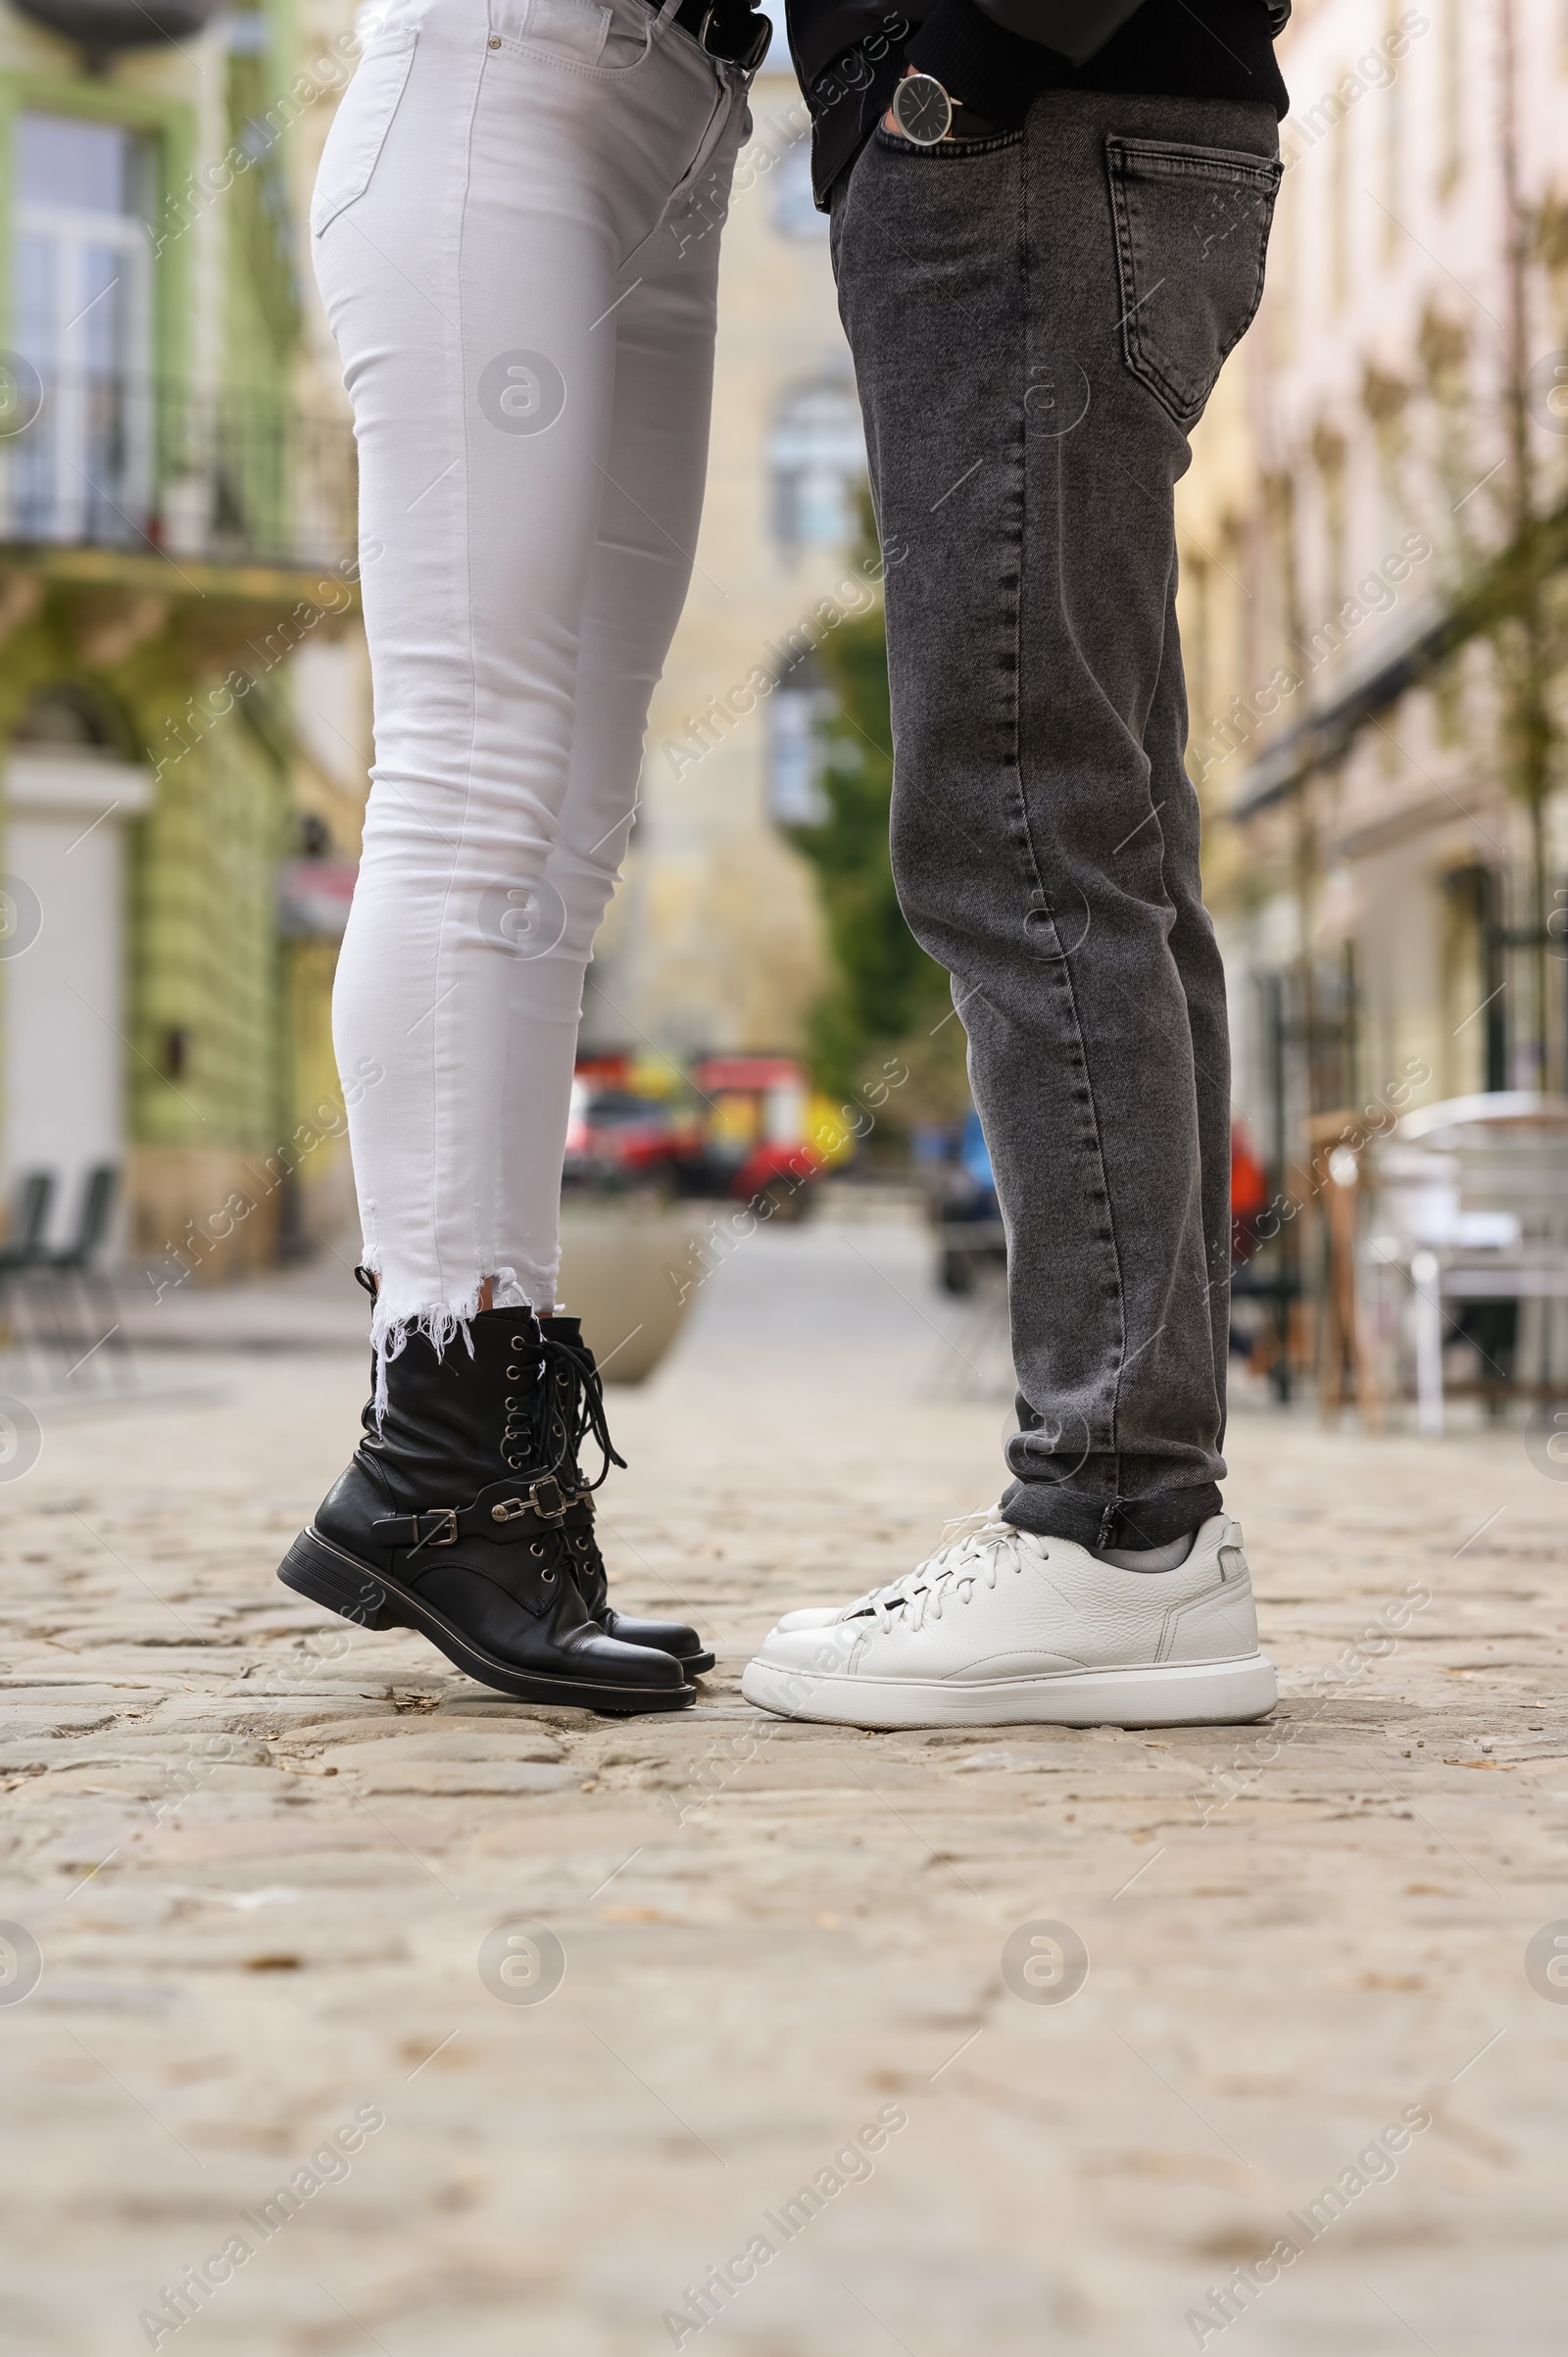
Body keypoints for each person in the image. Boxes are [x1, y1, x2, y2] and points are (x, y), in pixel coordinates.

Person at [742, 0, 1293, 1728]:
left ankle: (1113, 1519)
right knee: (1102, 817)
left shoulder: (987, 105)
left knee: (1020, 815)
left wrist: (958, 63)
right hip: (1074, 120)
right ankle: (1144, 1520)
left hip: (1023, 124)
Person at [277, 0, 768, 1712]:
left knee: (569, 826)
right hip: (504, 82)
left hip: (689, 125)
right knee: (477, 777)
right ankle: (436, 1446)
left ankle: (500, 1488)